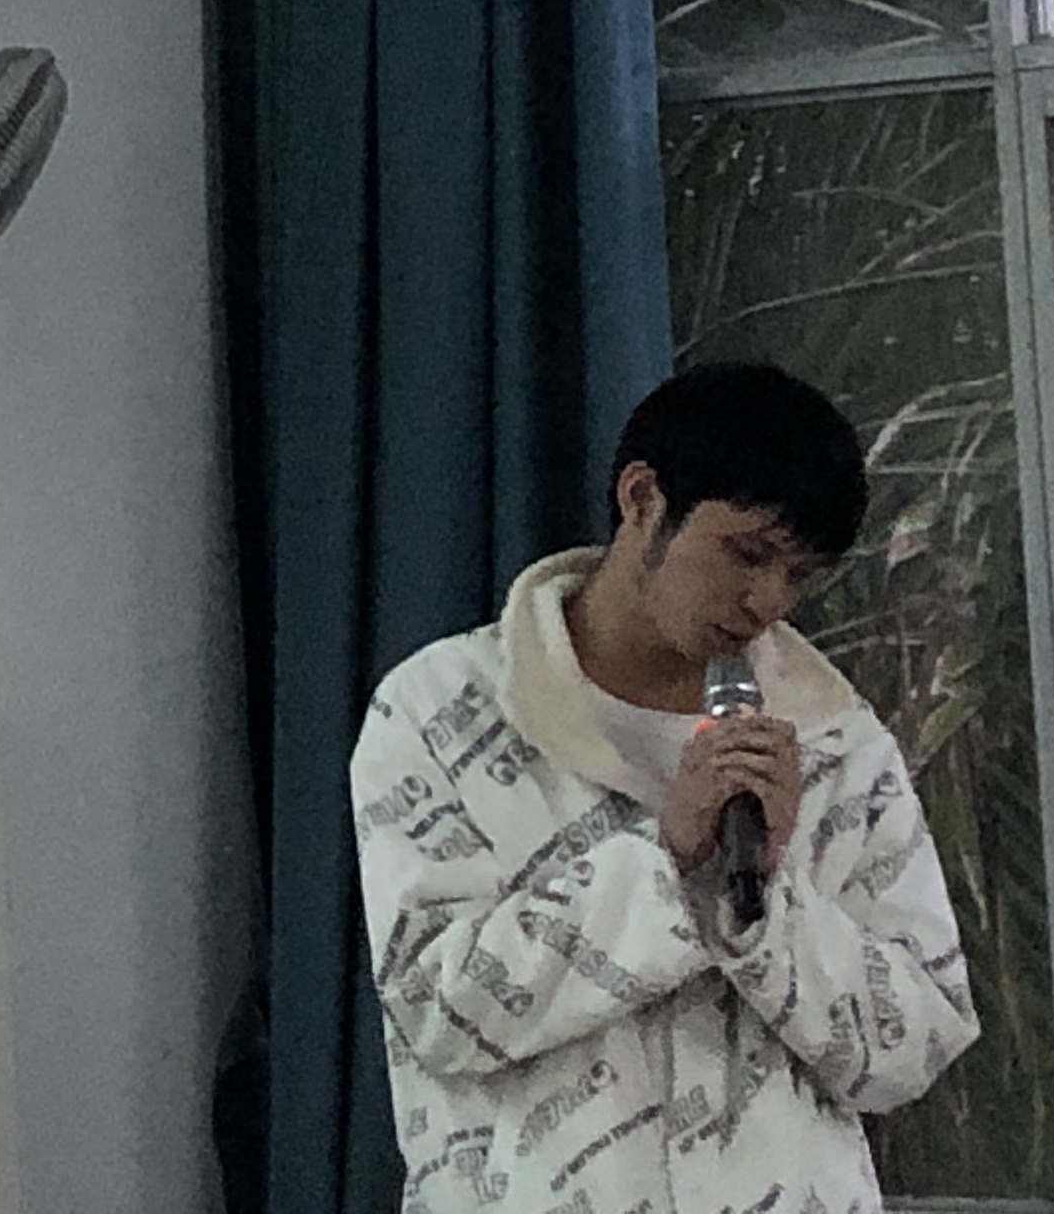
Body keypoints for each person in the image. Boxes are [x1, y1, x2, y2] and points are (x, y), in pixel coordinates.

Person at [350, 362, 977, 1212]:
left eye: (799, 576)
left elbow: (913, 1049)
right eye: (746, 553)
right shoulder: (442, 712)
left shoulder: (835, 741)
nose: (766, 600)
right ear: (642, 498)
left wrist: (767, 909)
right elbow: (435, 1013)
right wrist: (665, 864)